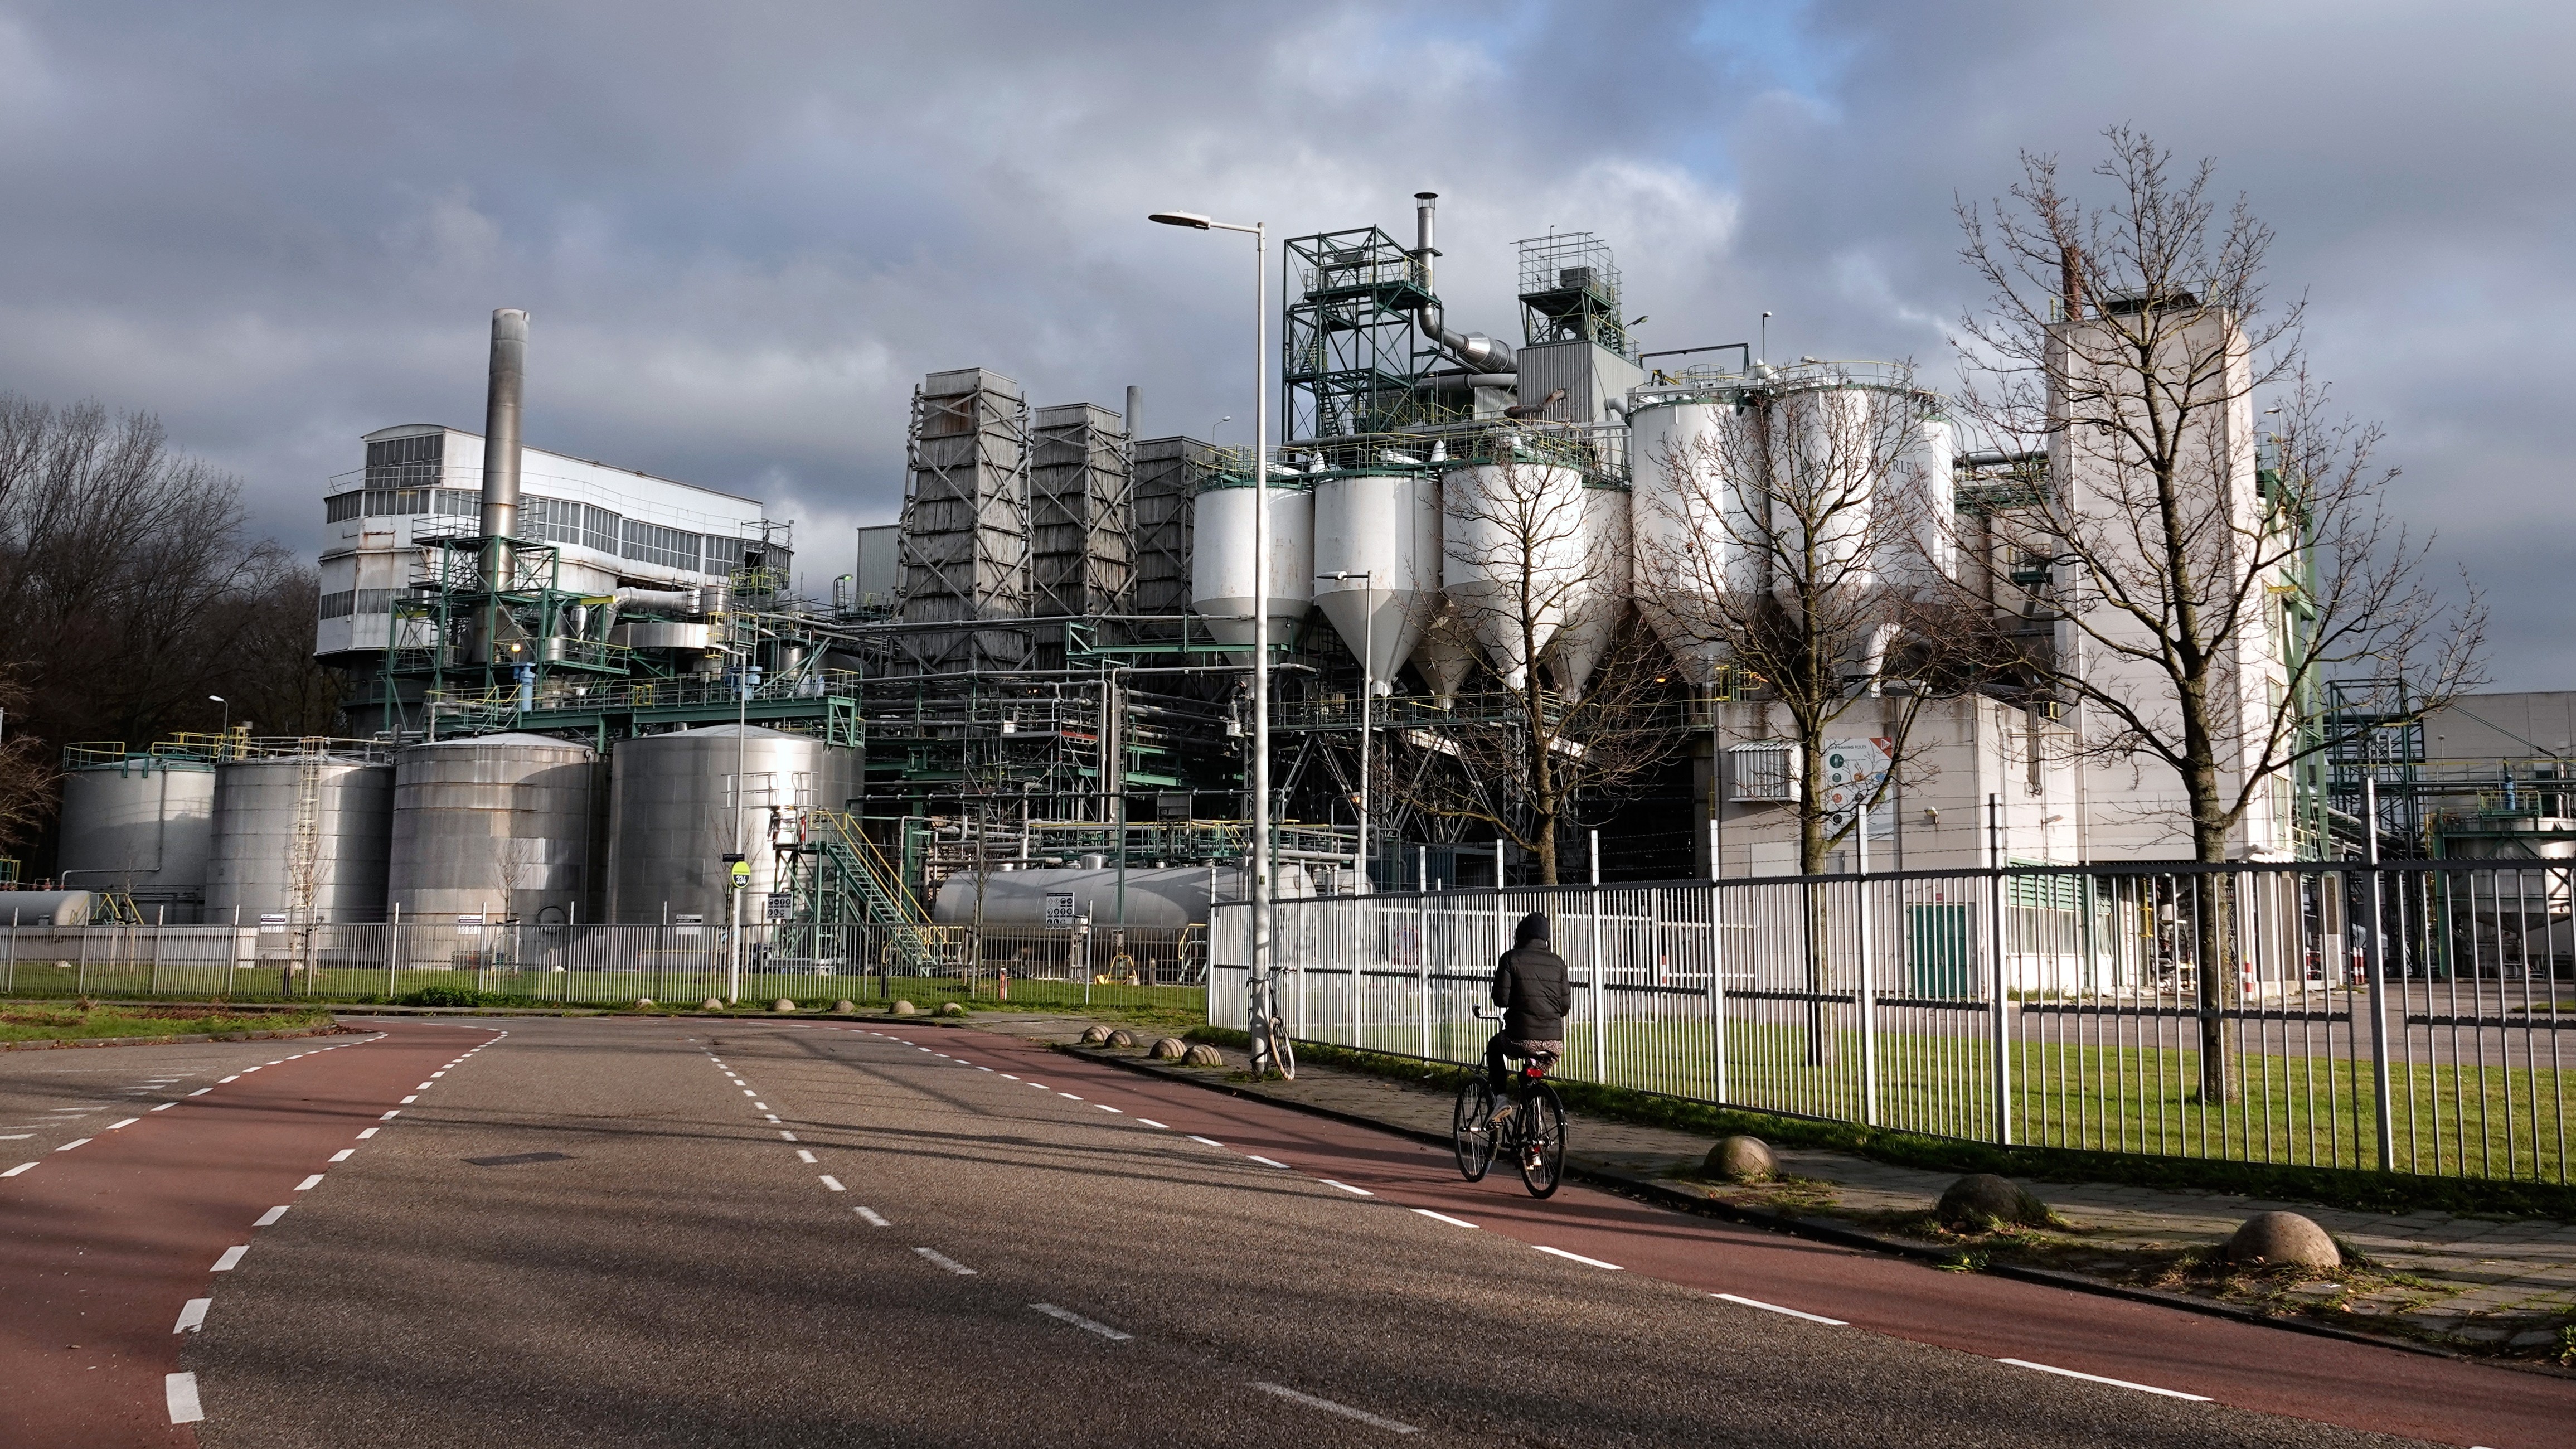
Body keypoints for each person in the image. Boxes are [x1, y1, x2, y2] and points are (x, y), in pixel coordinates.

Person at [1487, 911, 1569, 1117]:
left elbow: (1500, 999)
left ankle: (1501, 1099)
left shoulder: (1510, 958)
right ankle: (1533, 1141)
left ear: (1521, 934)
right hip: (1553, 1044)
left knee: (1494, 1047)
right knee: (1530, 1080)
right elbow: (1565, 1007)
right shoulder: (1558, 963)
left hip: (1520, 1039)